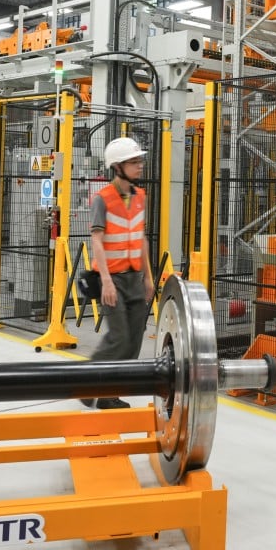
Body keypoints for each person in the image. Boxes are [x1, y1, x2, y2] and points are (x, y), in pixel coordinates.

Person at [83, 136, 157, 410]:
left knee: (134, 338)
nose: (140, 166)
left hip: (134, 278)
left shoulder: (140, 197)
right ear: (117, 167)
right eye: (133, 162)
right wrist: (106, 282)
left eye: (139, 161)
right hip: (112, 279)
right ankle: (86, 384)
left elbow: (141, 239)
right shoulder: (102, 199)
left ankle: (111, 392)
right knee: (119, 338)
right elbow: (97, 241)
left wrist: (148, 277)